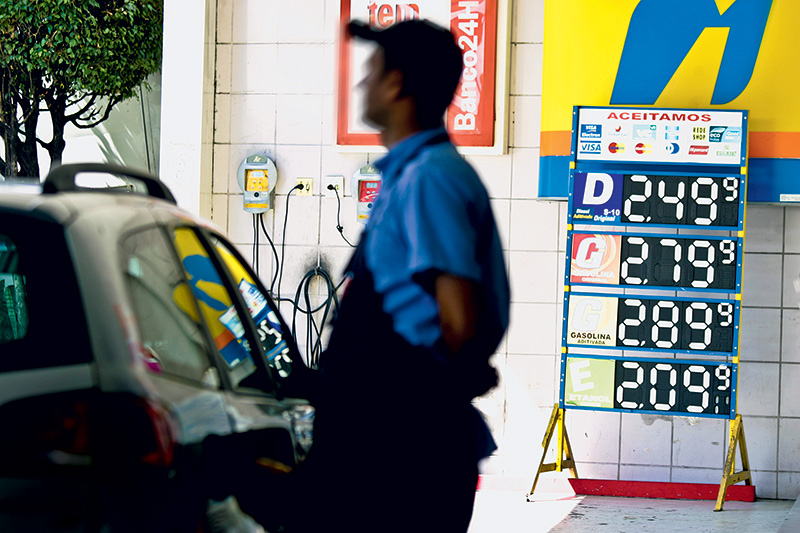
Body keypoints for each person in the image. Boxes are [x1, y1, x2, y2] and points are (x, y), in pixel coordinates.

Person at [304, 19, 510, 532]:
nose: (361, 84)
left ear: (396, 84)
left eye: (370, 72)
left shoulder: (429, 179)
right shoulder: (413, 174)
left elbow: (458, 322)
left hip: (404, 451)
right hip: (394, 440)